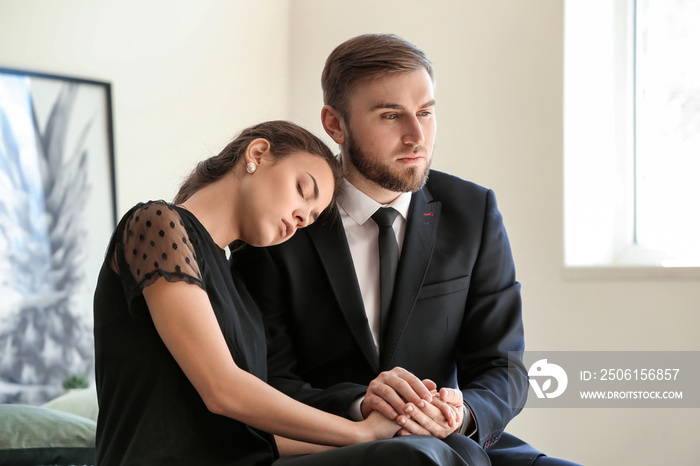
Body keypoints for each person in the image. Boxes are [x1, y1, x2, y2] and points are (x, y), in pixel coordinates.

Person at [231, 35, 582, 466]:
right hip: (329, 444)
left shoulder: (474, 211)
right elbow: (267, 379)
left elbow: (503, 366)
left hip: (456, 440)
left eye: (426, 113)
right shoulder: (282, 224)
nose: (417, 136)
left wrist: (461, 412)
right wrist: (363, 405)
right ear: (335, 124)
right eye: (391, 115)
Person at [93, 120, 472, 465]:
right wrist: (360, 433)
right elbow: (222, 389)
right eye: (302, 191)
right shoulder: (157, 225)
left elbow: (256, 434)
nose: (300, 220)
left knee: (442, 450)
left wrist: (388, 432)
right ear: (257, 154)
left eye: (309, 219)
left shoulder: (238, 293)